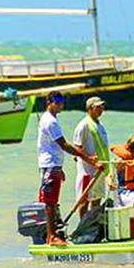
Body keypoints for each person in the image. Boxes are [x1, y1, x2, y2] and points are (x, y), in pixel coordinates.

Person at [37, 91, 96, 246]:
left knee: (54, 202)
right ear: (49, 102)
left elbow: (50, 146)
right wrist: (87, 158)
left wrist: (59, 168)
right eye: (56, 101)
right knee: (50, 202)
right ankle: (51, 237)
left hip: (52, 165)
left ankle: (54, 233)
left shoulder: (51, 119)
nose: (60, 104)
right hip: (49, 165)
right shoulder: (50, 121)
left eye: (62, 101)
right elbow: (63, 145)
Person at [72, 96, 114, 218]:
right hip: (87, 171)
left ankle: (93, 226)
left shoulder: (100, 125)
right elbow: (77, 147)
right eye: (98, 107)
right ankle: (82, 227)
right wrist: (90, 160)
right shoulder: (83, 125)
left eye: (102, 107)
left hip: (100, 170)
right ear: (90, 108)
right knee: (84, 201)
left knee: (97, 199)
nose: (101, 109)